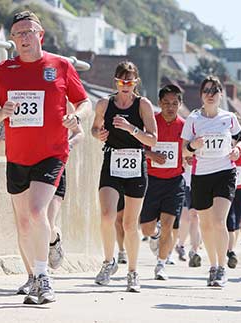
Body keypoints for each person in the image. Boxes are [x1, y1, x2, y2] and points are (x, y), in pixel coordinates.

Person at [0, 10, 90, 304]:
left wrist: (75, 116)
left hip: (52, 153)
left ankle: (43, 279)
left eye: (29, 32)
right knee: (24, 223)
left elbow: (85, 102)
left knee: (38, 211)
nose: (24, 38)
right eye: (18, 34)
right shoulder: (3, 70)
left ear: (40, 35)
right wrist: (0, 113)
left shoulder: (61, 66)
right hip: (17, 156)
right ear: (13, 40)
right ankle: (35, 271)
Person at [91, 61, 157, 292]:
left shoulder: (143, 105)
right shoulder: (103, 104)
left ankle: (133, 271)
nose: (125, 85)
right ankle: (109, 262)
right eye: (121, 81)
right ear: (116, 82)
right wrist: (99, 133)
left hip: (135, 165)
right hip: (111, 162)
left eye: (129, 81)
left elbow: (153, 139)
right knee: (108, 216)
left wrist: (131, 129)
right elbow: (94, 128)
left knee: (130, 224)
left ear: (136, 83)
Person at [13, 103, 84, 295]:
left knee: (45, 220)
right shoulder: (24, 97)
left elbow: (80, 133)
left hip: (54, 165)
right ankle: (32, 277)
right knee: (25, 224)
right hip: (24, 163)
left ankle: (54, 240)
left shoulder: (61, 100)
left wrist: (67, 145)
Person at [181, 76, 241, 288]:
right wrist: (193, 146)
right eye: (206, 90)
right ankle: (213, 266)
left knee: (218, 221)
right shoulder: (193, 119)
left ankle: (223, 268)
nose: (210, 94)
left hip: (225, 172)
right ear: (201, 95)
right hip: (201, 175)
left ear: (220, 95)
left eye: (214, 91)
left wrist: (237, 150)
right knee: (206, 225)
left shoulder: (229, 118)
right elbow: (183, 148)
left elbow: (240, 138)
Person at [138, 84, 187, 281]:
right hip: (151, 180)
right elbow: (137, 147)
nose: (170, 107)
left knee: (169, 224)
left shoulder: (185, 126)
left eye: (174, 103)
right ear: (159, 103)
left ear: (180, 104)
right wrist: (150, 154)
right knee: (147, 229)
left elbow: (191, 149)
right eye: (166, 103)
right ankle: (155, 235)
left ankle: (161, 264)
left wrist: (190, 156)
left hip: (175, 182)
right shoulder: (151, 123)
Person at [226, 148, 241, 269]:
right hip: (227, 185)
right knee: (231, 218)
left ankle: (230, 249)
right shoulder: (225, 140)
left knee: (237, 220)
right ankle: (230, 251)